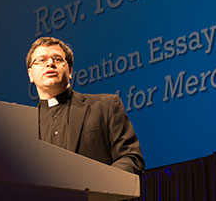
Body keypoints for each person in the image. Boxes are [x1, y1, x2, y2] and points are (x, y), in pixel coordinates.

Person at [26, 37, 145, 175]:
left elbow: (131, 158)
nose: (50, 64)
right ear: (30, 74)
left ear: (70, 71)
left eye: (57, 59)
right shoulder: (26, 127)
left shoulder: (106, 106)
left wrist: (101, 185)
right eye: (41, 60)